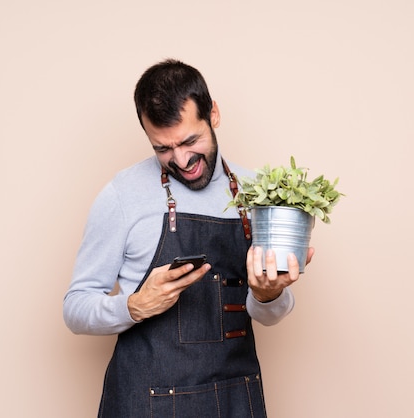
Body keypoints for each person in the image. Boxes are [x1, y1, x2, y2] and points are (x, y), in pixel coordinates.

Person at [63, 59, 314, 418]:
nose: (181, 160)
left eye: (189, 140)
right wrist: (133, 306)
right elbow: (75, 308)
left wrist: (267, 294)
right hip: (148, 403)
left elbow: (270, 314)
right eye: (162, 149)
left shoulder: (257, 194)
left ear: (213, 114)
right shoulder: (122, 195)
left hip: (234, 397)